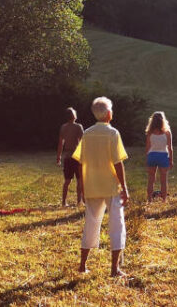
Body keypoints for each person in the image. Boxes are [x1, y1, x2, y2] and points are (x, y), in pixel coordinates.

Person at [74, 96, 129, 276]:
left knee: (91, 223)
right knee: (117, 225)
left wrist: (81, 186)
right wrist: (125, 187)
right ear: (109, 114)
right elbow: (118, 163)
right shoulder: (113, 133)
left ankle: (83, 265)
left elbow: (81, 162)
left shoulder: (87, 134)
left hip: (91, 184)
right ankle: (114, 268)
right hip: (110, 186)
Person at [57, 107, 85, 207]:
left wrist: (59, 156)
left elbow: (61, 143)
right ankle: (79, 201)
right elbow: (83, 142)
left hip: (67, 156)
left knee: (67, 180)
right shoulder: (78, 127)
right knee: (80, 179)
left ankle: (64, 202)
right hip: (77, 156)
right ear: (74, 116)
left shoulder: (63, 127)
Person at [145, 111, 173, 202]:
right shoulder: (167, 133)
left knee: (151, 179)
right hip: (163, 156)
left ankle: (149, 200)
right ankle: (164, 200)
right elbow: (170, 148)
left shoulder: (150, 133)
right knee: (163, 180)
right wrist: (171, 160)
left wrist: (147, 159)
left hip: (152, 156)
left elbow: (147, 147)